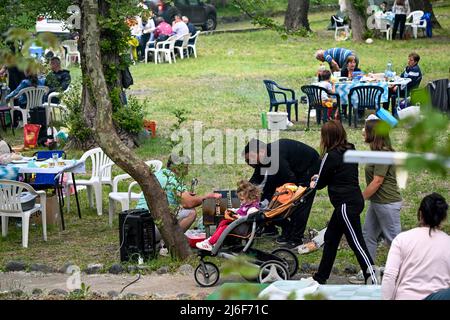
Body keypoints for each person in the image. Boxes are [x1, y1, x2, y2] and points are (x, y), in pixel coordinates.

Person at [310, 120, 379, 285]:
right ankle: (321, 276)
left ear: (326, 137)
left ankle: (373, 278)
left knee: (356, 243)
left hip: (345, 205)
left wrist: (314, 180)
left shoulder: (330, 155)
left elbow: (320, 183)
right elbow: (339, 173)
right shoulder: (350, 149)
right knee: (331, 238)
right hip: (353, 200)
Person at [349, 115, 403, 284]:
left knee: (394, 240)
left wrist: (360, 198)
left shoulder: (383, 153)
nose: (362, 131)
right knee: (368, 235)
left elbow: (377, 181)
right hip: (378, 203)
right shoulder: (377, 152)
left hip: (387, 203)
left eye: (366, 128)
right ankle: (368, 272)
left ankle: (404, 274)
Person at [243, 138, 319, 248]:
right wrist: (245, 191)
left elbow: (290, 180)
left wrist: (276, 197)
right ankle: (270, 228)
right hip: (292, 169)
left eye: (250, 160)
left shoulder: (276, 157)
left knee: (299, 201)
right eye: (247, 161)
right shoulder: (265, 156)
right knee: (267, 197)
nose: (250, 163)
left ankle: (295, 238)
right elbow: (257, 178)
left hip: (309, 168)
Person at [135, 154, 222, 243]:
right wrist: (207, 197)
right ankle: (169, 245)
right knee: (191, 213)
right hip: (152, 228)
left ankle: (161, 243)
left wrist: (184, 197)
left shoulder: (158, 174)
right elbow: (188, 203)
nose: (187, 172)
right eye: (186, 168)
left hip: (139, 224)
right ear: (177, 168)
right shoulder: (173, 180)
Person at [382, 193, 450, 300]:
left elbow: (389, 276)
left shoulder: (402, 239)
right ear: (443, 217)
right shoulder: (447, 242)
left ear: (420, 213)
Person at [196, 180, 261, 251]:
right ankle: (213, 240)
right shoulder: (247, 204)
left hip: (243, 228)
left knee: (224, 228)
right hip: (239, 225)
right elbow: (241, 210)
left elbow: (248, 219)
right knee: (223, 223)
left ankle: (210, 243)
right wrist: (234, 210)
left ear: (251, 198)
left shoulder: (253, 209)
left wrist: (238, 217)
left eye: (242, 200)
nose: (240, 202)